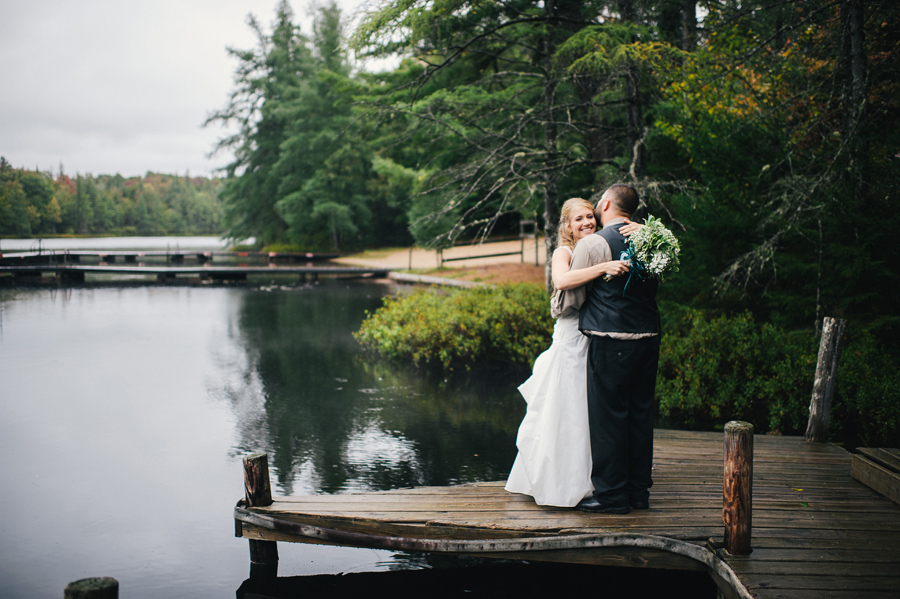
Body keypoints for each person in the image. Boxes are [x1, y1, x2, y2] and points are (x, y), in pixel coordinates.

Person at [505, 197, 632, 507]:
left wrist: (638, 227)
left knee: (591, 412)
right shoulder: (565, 252)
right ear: (567, 226)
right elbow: (561, 280)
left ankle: (596, 478)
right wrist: (604, 267)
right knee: (568, 409)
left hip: (594, 340)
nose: (587, 222)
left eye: (590, 216)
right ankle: (561, 482)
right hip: (571, 339)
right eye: (579, 219)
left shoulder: (602, 243)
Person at [554, 184, 660, 514]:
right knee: (640, 416)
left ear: (606, 203)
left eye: (593, 210)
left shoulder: (593, 243)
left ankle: (612, 496)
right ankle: (638, 494)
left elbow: (571, 299)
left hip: (611, 338)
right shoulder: (652, 240)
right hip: (649, 335)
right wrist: (652, 231)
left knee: (609, 420)